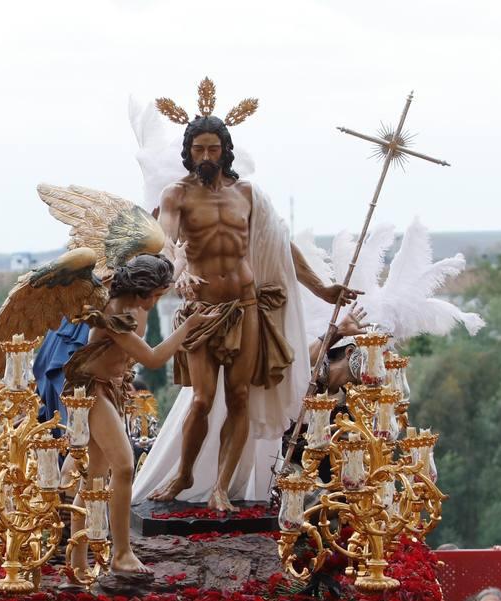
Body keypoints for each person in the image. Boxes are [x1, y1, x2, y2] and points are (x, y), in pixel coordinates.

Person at [126, 92, 357, 511]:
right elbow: (164, 241)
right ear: (188, 152)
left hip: (246, 304)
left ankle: (222, 487)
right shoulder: (177, 195)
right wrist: (179, 271)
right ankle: (183, 474)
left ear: (226, 149)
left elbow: (280, 246)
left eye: (214, 148)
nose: (207, 155)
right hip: (201, 310)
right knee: (200, 398)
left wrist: (323, 288)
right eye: (199, 149)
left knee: (238, 397)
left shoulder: (247, 194)